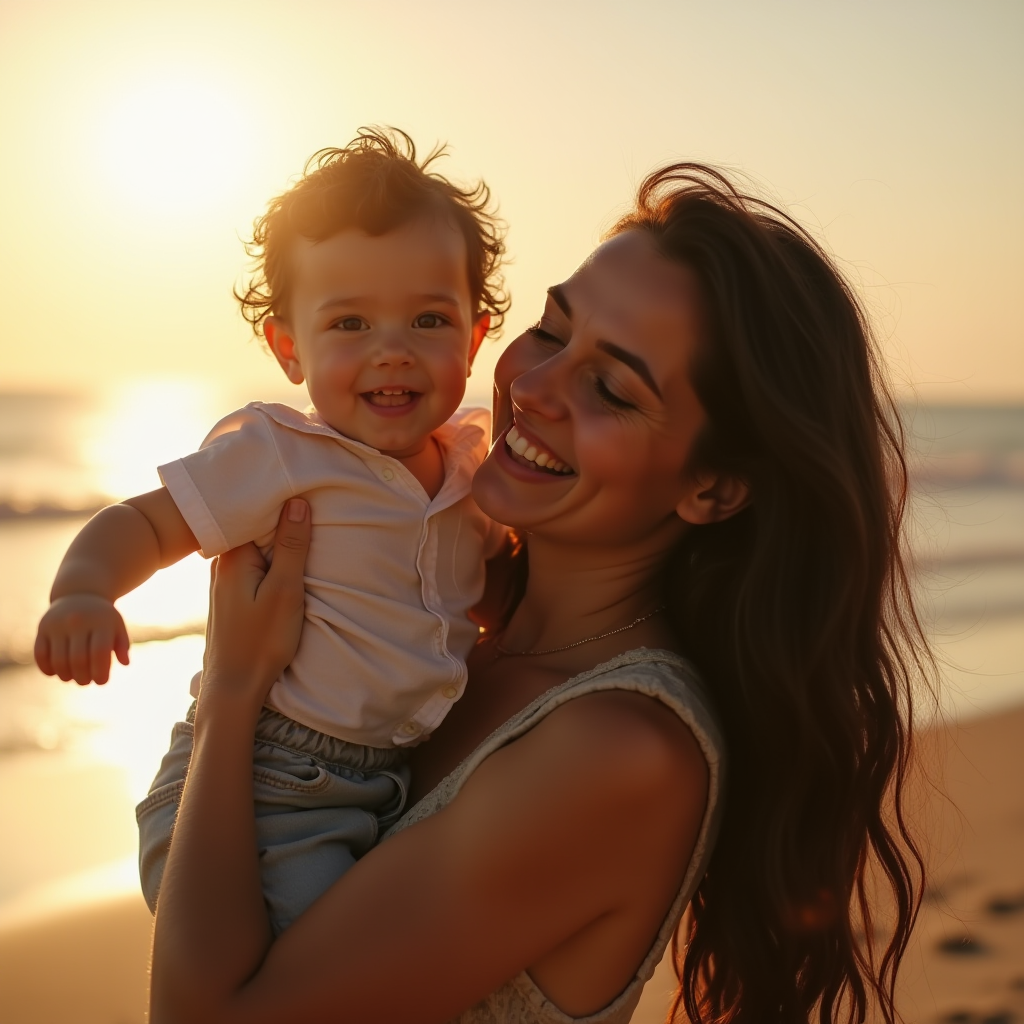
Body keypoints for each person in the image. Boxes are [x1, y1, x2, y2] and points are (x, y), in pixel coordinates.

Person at [149, 164, 927, 1024]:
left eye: (612, 389)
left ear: (712, 486)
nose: (530, 387)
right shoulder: (455, 630)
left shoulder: (619, 752)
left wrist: (231, 691)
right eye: (553, 332)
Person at [33, 128, 511, 933]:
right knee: (326, 965)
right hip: (267, 787)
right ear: (290, 347)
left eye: (428, 320)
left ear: (474, 334)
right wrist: (82, 591)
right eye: (350, 324)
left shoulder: (471, 468)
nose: (391, 353)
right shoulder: (281, 454)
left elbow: (500, 581)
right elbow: (144, 521)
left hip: (393, 775)